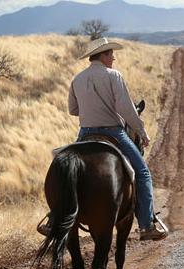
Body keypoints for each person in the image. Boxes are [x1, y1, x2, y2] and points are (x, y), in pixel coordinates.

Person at [39, 37, 168, 240]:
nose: (114, 58)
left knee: (65, 170)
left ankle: (54, 218)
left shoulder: (77, 79)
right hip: (113, 132)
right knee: (142, 172)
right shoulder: (114, 76)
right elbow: (126, 108)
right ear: (103, 55)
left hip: (85, 133)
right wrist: (141, 132)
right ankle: (146, 225)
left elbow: (73, 110)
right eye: (111, 54)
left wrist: (91, 107)